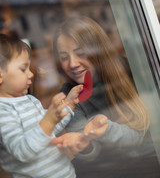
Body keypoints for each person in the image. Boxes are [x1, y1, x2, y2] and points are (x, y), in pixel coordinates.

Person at [52, 16, 160, 177]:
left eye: (80, 53)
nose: (72, 63)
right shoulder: (69, 95)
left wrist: (104, 129)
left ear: (99, 50)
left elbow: (141, 139)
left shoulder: (135, 71)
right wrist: (83, 145)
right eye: (64, 58)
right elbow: (93, 154)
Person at [0, 33, 108, 178]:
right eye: (23, 69)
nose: (31, 74)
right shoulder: (3, 112)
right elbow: (22, 152)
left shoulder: (30, 101)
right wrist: (49, 119)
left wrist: (68, 105)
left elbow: (50, 130)